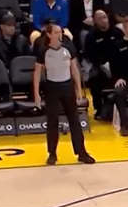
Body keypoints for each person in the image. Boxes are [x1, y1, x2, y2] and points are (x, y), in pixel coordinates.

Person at [32, 24, 94, 165]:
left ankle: (81, 152)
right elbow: (37, 73)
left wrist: (78, 90)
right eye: (56, 32)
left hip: (67, 87)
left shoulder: (68, 47)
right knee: (52, 122)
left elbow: (74, 69)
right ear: (49, 34)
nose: (59, 35)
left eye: (60, 32)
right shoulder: (43, 50)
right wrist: (36, 94)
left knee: (74, 121)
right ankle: (52, 153)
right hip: (52, 88)